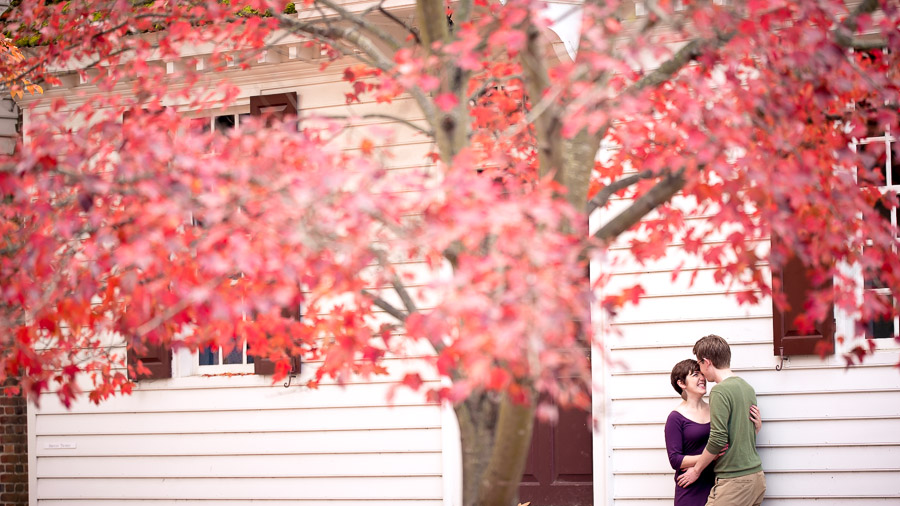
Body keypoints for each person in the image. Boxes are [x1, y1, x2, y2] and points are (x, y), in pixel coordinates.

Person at [678, 335, 766, 506]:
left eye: (700, 364)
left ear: (707, 362)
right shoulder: (747, 388)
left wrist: (696, 470)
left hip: (735, 482)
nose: (701, 372)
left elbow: (718, 439)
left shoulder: (719, 391)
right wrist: (756, 429)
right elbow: (744, 431)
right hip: (756, 478)